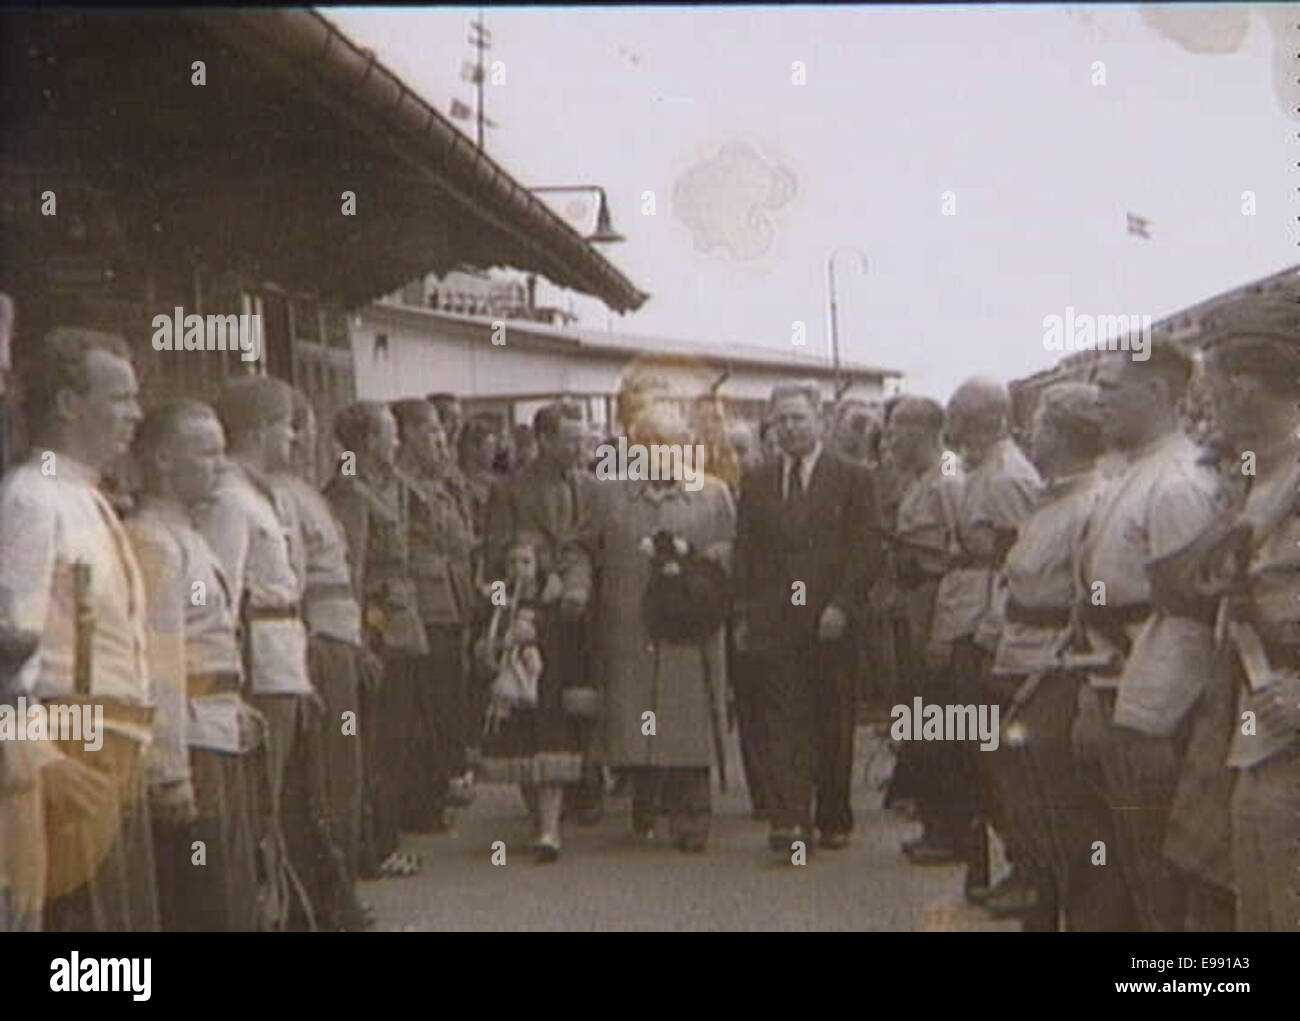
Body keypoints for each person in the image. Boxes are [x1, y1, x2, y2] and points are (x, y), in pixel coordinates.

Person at [0, 326, 155, 932]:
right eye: (120, 398)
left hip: (110, 738)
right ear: (67, 404)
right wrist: (35, 756)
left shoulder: (83, 496)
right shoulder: (31, 498)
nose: (135, 414)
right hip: (69, 742)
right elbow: (6, 640)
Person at [1071, 347, 1227, 932]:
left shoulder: (1179, 483)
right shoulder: (1133, 472)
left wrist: (1155, 718)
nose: (1098, 401)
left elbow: (1191, 621)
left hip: (1160, 710)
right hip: (1119, 684)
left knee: (1165, 870)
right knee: (1131, 862)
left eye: (1112, 388)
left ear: (1160, 394)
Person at [987, 382, 1135, 930]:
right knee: (1030, 813)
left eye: (1043, 427)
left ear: (1066, 435)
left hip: (1056, 672)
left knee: (1073, 828)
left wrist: (1057, 671)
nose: (1032, 437)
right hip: (1019, 660)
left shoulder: (1091, 505)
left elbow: (1087, 606)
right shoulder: (1049, 501)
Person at [198, 375, 342, 929]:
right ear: (258, 430)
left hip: (283, 662)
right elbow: (224, 600)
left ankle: (289, 912)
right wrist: (235, 687)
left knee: (283, 803)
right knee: (263, 806)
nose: (297, 440)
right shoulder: (232, 502)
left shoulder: (255, 494)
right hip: (261, 667)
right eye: (287, 427)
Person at [1175, 333, 1300, 931]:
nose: (1203, 407)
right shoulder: (1257, 476)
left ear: (1245, 389)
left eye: (1211, 390)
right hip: (1257, 727)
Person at [127, 400, 267, 931]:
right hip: (192, 745)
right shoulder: (152, 540)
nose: (220, 463)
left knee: (233, 890)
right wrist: (169, 768)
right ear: (163, 460)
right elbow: (159, 663)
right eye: (206, 452)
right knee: (205, 897)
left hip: (217, 730)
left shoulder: (189, 536)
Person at [587, 379, 735, 851]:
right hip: (629, 627)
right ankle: (645, 800)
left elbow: (734, 555)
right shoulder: (609, 496)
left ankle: (693, 814)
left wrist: (705, 563)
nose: (662, 455)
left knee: (689, 716)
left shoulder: (712, 496)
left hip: (691, 628)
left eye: (673, 446)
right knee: (639, 716)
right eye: (649, 447)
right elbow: (581, 547)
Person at [735, 381, 881, 859]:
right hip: (776, 621)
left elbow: (865, 551)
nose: (790, 429)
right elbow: (747, 553)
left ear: (820, 419)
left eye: (799, 418)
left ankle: (833, 812)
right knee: (783, 718)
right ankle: (790, 818)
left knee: (831, 718)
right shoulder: (757, 480)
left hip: (830, 619)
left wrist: (842, 605)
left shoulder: (853, 478)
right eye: (782, 420)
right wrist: (746, 612)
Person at [938, 377, 1043, 906]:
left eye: (955, 412)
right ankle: (1006, 861)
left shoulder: (1006, 478)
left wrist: (992, 635)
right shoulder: (978, 470)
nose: (948, 422)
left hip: (989, 631)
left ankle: (1026, 867)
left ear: (979, 418)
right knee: (978, 753)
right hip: (968, 620)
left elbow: (1020, 566)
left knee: (998, 755)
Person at [273, 390, 374, 920]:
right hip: (319, 646)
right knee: (327, 777)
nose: (307, 439)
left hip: (338, 640)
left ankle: (338, 889)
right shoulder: (281, 497)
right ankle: (327, 896)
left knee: (343, 774)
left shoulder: (304, 493)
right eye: (300, 429)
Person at [484, 403, 602, 827]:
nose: (580, 447)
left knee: (583, 698)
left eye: (584, 438)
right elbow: (497, 555)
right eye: (571, 440)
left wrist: (576, 582)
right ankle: (542, 798)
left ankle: (587, 782)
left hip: (583, 609)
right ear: (545, 441)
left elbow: (595, 544)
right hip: (534, 615)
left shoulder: (591, 487)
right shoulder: (511, 490)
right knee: (538, 701)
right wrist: (529, 588)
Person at [325, 401, 428, 878]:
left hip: (398, 626)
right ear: (367, 441)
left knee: (394, 741)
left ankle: (382, 839)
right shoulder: (351, 494)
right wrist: (365, 641)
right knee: (378, 744)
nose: (397, 443)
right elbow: (354, 573)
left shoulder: (377, 489)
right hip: (379, 632)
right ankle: (374, 846)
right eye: (389, 434)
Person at [879, 396, 970, 863]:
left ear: (920, 430)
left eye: (896, 427)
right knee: (919, 715)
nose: (889, 437)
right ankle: (935, 819)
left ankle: (951, 829)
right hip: (913, 606)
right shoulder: (919, 482)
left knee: (940, 720)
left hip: (937, 605)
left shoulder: (949, 482)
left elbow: (963, 556)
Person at [474, 533, 587, 860]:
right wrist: (493, 644)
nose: (518, 569)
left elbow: (568, 640)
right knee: (522, 759)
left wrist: (537, 635)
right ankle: (538, 823)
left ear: (539, 565)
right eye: (512, 562)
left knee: (549, 758)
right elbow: (484, 633)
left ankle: (550, 830)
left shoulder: (551, 599)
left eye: (525, 561)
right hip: (513, 690)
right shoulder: (500, 598)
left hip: (546, 689)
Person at [392, 398, 476, 830]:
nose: (442, 441)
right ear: (404, 434)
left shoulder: (442, 482)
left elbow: (463, 541)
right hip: (422, 606)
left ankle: (437, 786)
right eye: (431, 432)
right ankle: (420, 800)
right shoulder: (399, 486)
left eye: (442, 432)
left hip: (450, 601)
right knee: (423, 707)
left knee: (446, 701)